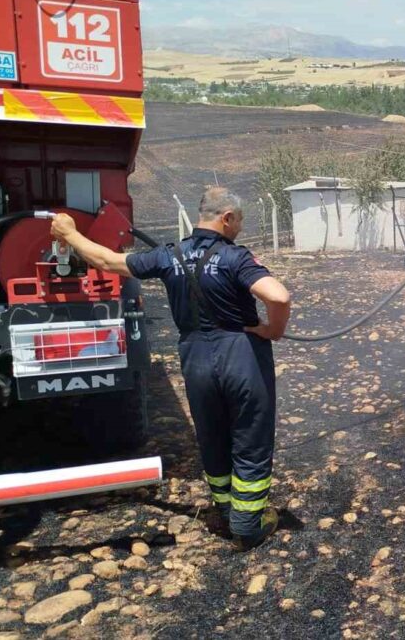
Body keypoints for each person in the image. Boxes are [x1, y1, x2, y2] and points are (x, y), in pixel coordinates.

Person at [50, 187, 292, 551]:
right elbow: (279, 296)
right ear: (227, 218)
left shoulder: (169, 254)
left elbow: (106, 261)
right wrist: (272, 330)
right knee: (249, 437)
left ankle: (225, 512)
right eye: (239, 221)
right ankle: (247, 526)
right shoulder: (234, 257)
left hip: (194, 356)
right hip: (238, 351)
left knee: (212, 435)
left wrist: (69, 235)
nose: (240, 228)